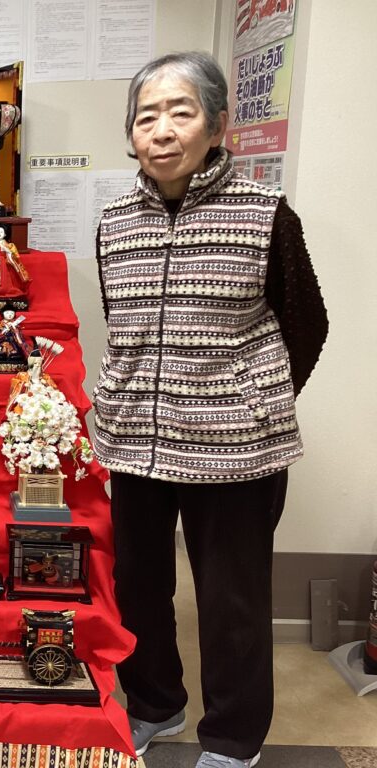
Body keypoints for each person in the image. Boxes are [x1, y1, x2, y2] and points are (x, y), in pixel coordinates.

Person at [93, 53, 327, 768]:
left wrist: (254, 398)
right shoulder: (113, 223)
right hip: (135, 441)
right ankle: (155, 704)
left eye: (181, 111)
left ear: (218, 124)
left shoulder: (265, 214)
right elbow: (123, 323)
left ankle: (232, 738)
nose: (162, 130)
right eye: (146, 116)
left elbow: (306, 324)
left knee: (232, 603)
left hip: (236, 448)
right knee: (138, 589)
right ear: (130, 133)